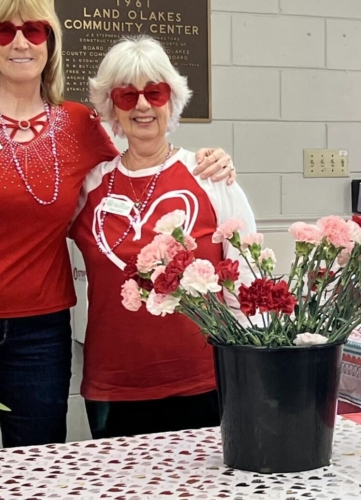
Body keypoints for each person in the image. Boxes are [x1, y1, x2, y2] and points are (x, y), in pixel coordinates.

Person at [0, 0, 235, 454]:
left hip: (39, 331)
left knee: (39, 460)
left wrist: (211, 162)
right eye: (3, 30)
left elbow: (140, 159)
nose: (19, 42)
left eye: (33, 29)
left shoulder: (79, 124)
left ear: (50, 42)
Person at [69, 36, 256, 439]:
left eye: (155, 93)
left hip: (203, 379)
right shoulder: (88, 187)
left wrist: (246, 364)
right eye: (126, 94)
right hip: (113, 385)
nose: (141, 106)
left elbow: (246, 278)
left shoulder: (211, 177)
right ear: (111, 107)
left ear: (172, 100)